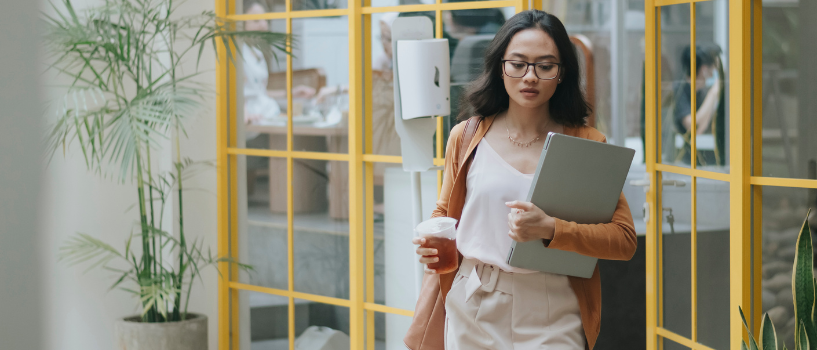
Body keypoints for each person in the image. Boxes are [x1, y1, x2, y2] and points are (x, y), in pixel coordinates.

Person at [404, 10, 637, 350]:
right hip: (474, 299)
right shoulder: (466, 136)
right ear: (500, 67)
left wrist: (551, 228)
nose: (530, 77)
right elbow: (445, 212)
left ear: (562, 73)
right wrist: (433, 243)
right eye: (518, 64)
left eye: (545, 66)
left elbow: (624, 240)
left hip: (554, 304)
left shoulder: (586, 144)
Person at [672, 44, 725, 166]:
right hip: (682, 163)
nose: (713, 73)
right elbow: (693, 127)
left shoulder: (701, 92)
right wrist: (714, 92)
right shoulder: (679, 91)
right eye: (713, 68)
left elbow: (703, 126)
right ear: (704, 69)